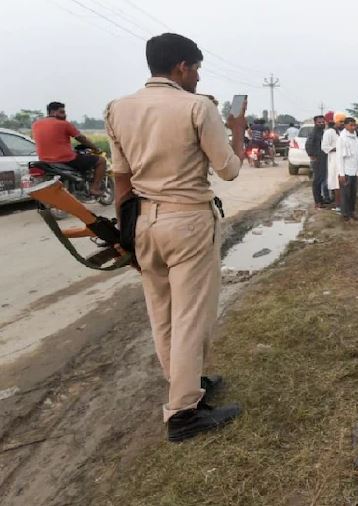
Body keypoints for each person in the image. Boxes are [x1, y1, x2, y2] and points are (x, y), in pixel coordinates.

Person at [104, 32, 245, 442]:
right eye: (197, 68)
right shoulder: (197, 107)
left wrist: (124, 234)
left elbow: (121, 180)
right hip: (187, 222)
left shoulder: (117, 109)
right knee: (190, 317)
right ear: (181, 66)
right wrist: (236, 129)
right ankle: (184, 413)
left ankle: (186, 386)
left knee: (162, 314)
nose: (199, 77)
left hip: (144, 223)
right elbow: (230, 169)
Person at [32, 101, 107, 196]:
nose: (65, 115)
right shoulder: (63, 124)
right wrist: (96, 148)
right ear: (53, 112)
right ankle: (94, 188)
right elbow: (80, 138)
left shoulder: (36, 124)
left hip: (44, 160)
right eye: (62, 112)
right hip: (65, 159)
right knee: (101, 161)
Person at [337, 117, 358, 221]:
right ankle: (345, 214)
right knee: (345, 194)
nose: (353, 127)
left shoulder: (355, 138)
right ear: (345, 126)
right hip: (346, 171)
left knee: (353, 194)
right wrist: (341, 173)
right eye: (351, 125)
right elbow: (339, 158)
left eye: (354, 125)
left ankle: (352, 212)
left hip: (355, 171)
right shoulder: (341, 139)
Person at [321, 112, 345, 209]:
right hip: (334, 160)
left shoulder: (342, 132)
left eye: (344, 122)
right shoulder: (329, 132)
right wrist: (337, 148)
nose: (342, 124)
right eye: (341, 122)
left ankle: (342, 204)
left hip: (343, 160)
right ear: (336, 121)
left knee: (342, 182)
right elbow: (324, 147)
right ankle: (338, 204)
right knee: (336, 183)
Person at [305, 115, 329, 207]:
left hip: (322, 159)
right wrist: (312, 156)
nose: (322, 123)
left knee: (321, 179)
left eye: (323, 122)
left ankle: (320, 199)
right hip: (317, 160)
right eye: (319, 122)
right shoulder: (314, 132)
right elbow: (308, 145)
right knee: (317, 181)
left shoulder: (321, 132)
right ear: (315, 123)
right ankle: (317, 202)